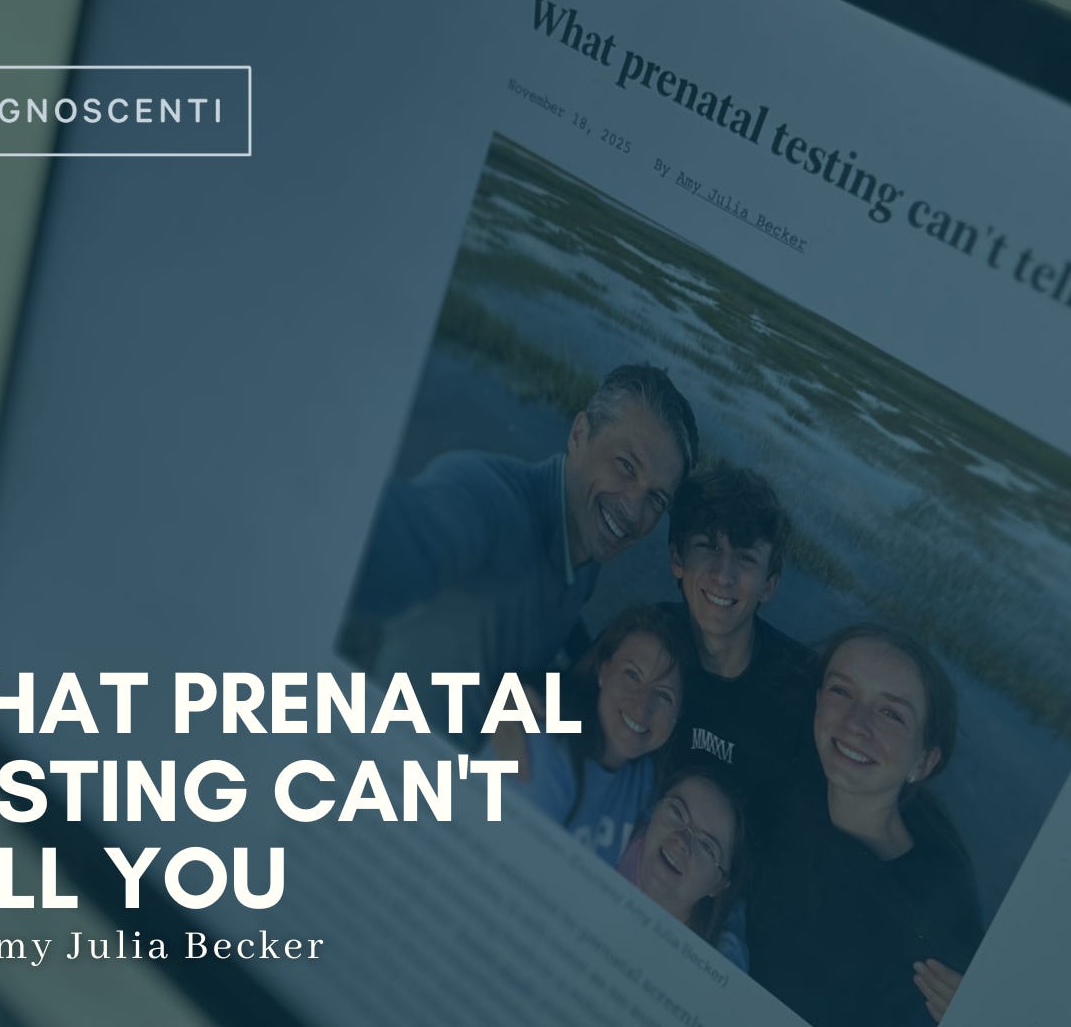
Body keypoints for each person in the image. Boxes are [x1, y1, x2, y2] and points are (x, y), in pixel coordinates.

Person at [338, 363, 699, 739]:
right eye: (626, 466)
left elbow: (556, 611)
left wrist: (598, 662)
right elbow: (382, 543)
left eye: (656, 499)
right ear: (579, 435)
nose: (633, 511)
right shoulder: (485, 499)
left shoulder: (588, 541)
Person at [749, 625, 983, 1027]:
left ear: (923, 763)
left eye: (891, 713)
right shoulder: (789, 781)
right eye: (842, 691)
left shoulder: (935, 920)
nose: (857, 723)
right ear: (819, 701)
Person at [660, 465, 817, 816]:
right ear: (677, 559)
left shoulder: (803, 689)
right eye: (707, 546)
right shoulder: (647, 641)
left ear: (769, 585)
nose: (723, 575)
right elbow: (571, 711)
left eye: (745, 558)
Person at [492, 606, 686, 866]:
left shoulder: (645, 782)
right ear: (603, 672)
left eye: (663, 695)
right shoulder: (542, 746)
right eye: (632, 675)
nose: (642, 706)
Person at [616, 769, 748, 950]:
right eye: (677, 811)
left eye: (707, 847)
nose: (682, 841)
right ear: (654, 809)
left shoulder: (720, 956)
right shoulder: (609, 835)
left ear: (718, 885)